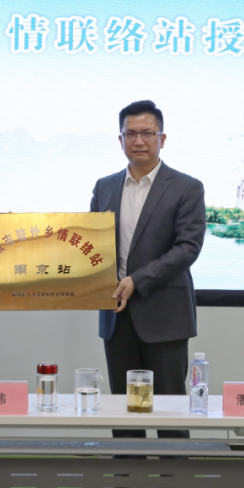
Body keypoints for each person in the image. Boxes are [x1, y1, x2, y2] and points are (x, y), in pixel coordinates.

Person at [90, 100, 206, 440]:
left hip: (165, 317)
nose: (138, 141)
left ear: (162, 138)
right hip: (116, 316)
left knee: (171, 413)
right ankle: (127, 471)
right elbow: (91, 247)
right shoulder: (104, 187)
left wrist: (136, 281)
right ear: (120, 139)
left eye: (147, 133)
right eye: (130, 134)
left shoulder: (187, 187)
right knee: (125, 413)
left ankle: (174, 473)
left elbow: (187, 248)